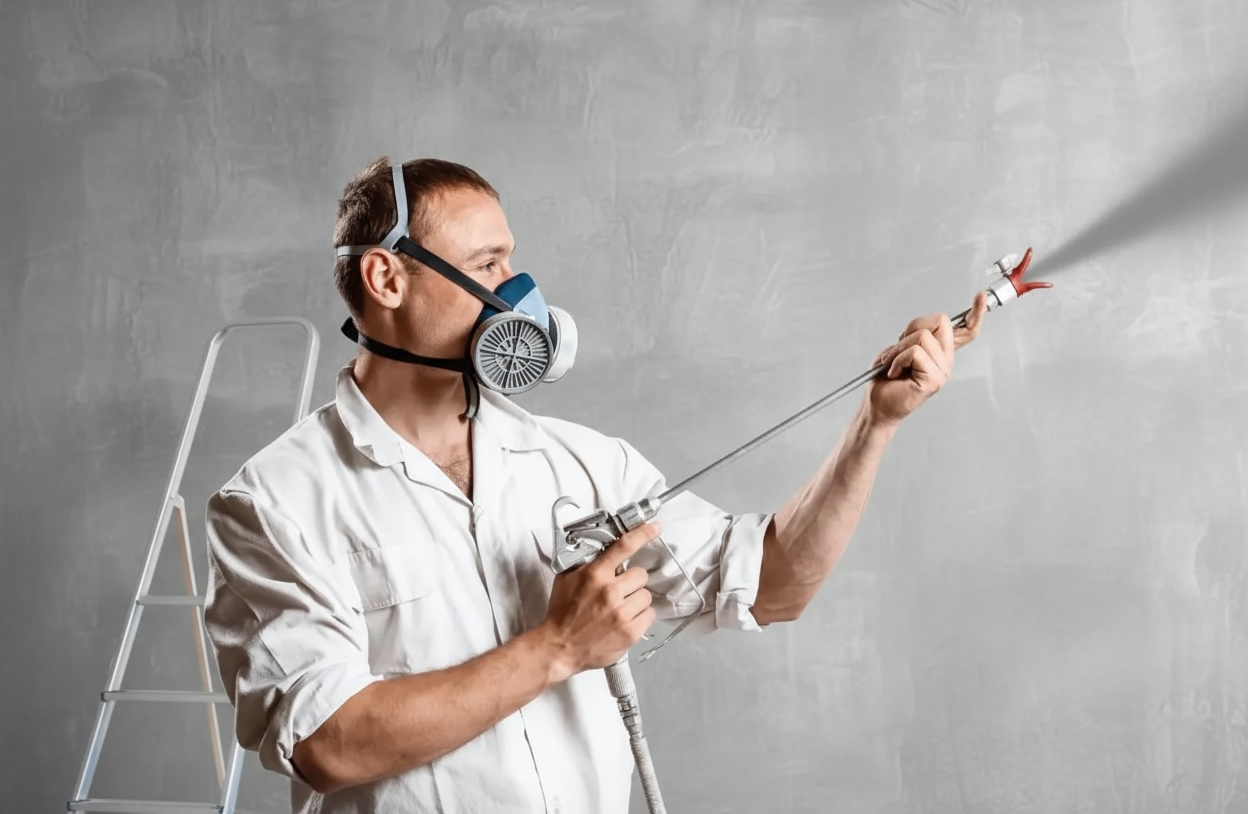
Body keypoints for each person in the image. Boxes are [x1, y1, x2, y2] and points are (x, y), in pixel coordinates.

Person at [204, 157, 988, 814]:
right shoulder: (273, 504)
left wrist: (874, 425)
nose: (517, 291)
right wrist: (556, 647)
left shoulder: (579, 464)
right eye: (486, 265)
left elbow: (775, 584)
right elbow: (328, 743)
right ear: (387, 277)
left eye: (510, 261)